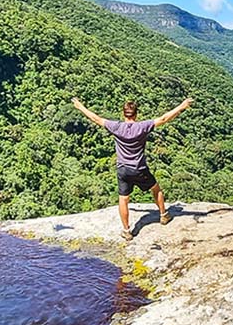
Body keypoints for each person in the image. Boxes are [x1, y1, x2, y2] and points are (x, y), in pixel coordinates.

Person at [71, 96, 194, 241]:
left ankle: (127, 230)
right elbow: (163, 119)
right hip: (139, 168)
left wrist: (80, 106)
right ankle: (163, 215)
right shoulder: (142, 127)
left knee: (123, 199)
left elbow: (96, 118)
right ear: (136, 114)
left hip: (123, 169)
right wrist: (182, 106)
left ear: (123, 114)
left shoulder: (116, 127)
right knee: (155, 189)